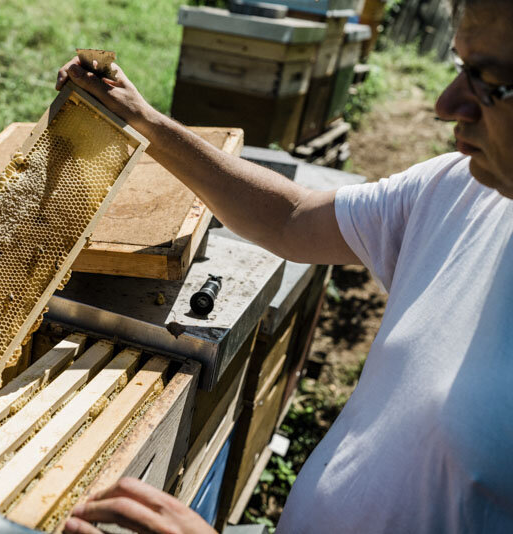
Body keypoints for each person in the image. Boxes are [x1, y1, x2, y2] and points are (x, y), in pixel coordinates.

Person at [57, 0, 513, 531]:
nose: (447, 102)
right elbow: (292, 218)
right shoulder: (458, 188)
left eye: (488, 81)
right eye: (461, 68)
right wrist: (145, 120)